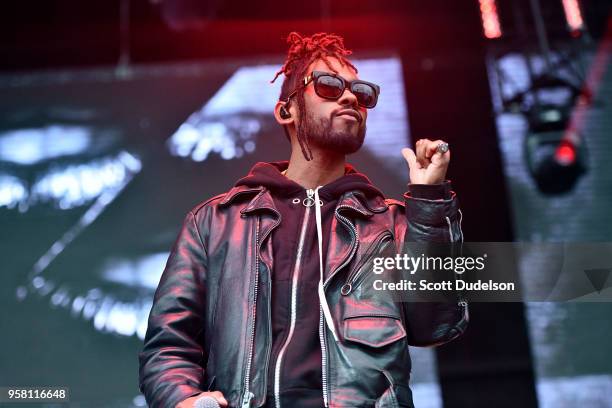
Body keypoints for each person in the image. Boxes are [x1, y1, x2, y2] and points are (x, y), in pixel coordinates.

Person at [138, 32, 468, 408]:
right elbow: (168, 346)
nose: (349, 97)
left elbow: (436, 324)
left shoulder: (391, 225)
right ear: (286, 110)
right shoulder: (214, 222)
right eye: (328, 85)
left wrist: (429, 202)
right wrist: (183, 401)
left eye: (361, 92)